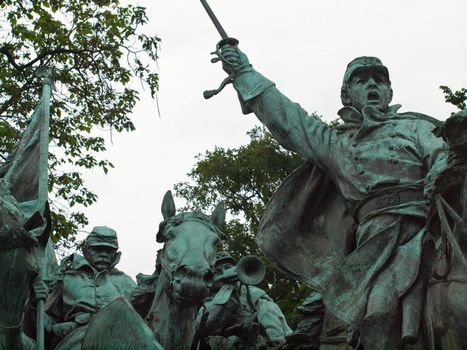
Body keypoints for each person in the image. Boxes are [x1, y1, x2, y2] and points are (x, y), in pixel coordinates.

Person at [213, 45, 451, 349]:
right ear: (347, 94)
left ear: (389, 92)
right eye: (362, 80)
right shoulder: (337, 145)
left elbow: (444, 156)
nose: (372, 85)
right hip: (379, 246)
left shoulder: (418, 126)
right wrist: (244, 72)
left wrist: (440, 173)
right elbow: (289, 120)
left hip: (434, 225)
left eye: (379, 80)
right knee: (378, 313)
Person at [44, 226, 136, 349]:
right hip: (75, 340)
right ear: (85, 250)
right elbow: (46, 319)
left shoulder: (126, 282)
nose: (103, 254)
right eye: (97, 249)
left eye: (109, 251)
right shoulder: (65, 278)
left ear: (115, 253)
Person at [198, 251, 292, 350]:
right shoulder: (204, 300)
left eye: (228, 268)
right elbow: (207, 327)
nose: (224, 273)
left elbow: (269, 311)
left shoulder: (250, 292)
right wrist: (227, 289)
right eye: (217, 271)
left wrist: (276, 338)